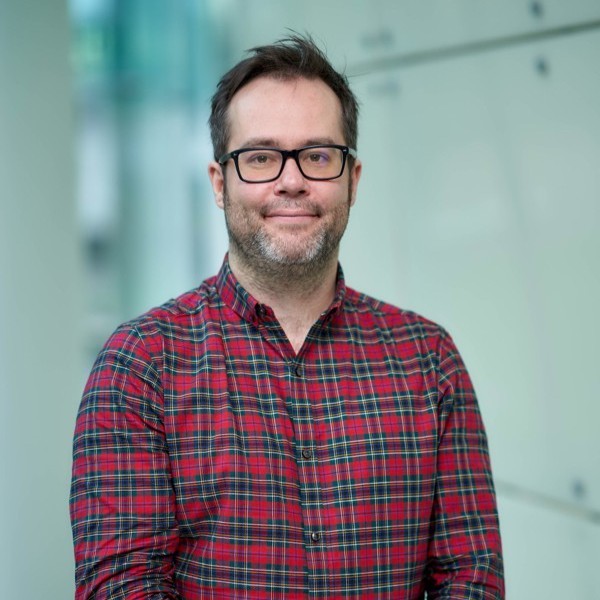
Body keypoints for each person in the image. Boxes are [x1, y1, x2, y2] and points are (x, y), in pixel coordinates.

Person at [70, 34, 504, 599]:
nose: (292, 180)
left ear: (353, 179)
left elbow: (471, 579)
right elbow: (121, 587)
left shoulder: (429, 360)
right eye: (260, 157)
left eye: (318, 155)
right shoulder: (140, 365)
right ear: (220, 183)